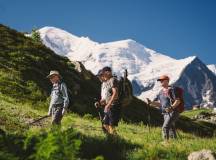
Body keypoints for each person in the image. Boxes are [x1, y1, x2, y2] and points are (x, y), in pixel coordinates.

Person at [147, 75, 181, 141]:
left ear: (167, 81)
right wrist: (151, 102)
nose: (161, 82)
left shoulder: (172, 90)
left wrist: (171, 108)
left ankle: (166, 143)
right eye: (160, 81)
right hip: (165, 113)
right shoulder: (160, 92)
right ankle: (175, 143)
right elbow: (161, 104)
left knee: (165, 127)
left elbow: (178, 101)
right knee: (171, 128)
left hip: (173, 112)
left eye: (162, 80)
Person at [100, 67, 121, 135]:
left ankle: (116, 141)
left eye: (103, 74)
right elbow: (109, 94)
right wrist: (103, 101)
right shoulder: (107, 81)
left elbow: (115, 93)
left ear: (108, 72)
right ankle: (110, 140)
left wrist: (108, 104)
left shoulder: (113, 80)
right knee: (106, 125)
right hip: (109, 106)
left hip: (114, 106)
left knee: (111, 125)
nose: (103, 76)